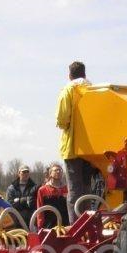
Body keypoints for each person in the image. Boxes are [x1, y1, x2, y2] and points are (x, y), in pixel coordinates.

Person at [56, 61, 92, 224]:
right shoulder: (93, 90)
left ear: (69, 75)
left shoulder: (69, 90)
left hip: (72, 147)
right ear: (84, 74)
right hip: (91, 149)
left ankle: (76, 227)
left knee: (74, 191)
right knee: (86, 189)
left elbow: (62, 119)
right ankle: (88, 224)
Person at [35, 163, 69, 229]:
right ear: (50, 173)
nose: (58, 172)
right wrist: (40, 226)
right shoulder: (43, 190)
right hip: (49, 225)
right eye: (56, 170)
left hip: (65, 224)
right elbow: (40, 209)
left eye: (60, 170)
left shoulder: (67, 189)